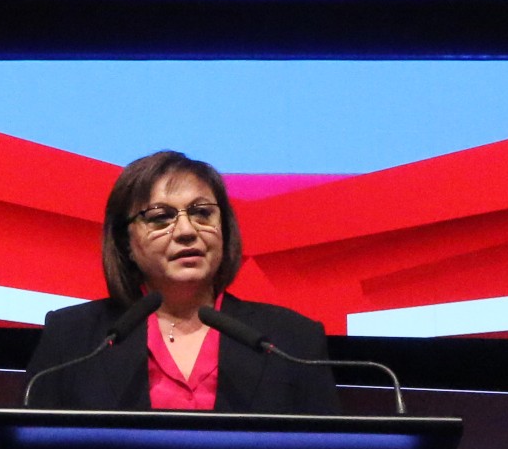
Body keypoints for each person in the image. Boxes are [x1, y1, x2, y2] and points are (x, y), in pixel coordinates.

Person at [24, 149, 341, 414]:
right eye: (160, 217)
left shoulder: (292, 340)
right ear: (125, 243)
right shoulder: (73, 339)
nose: (187, 231)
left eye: (202, 213)